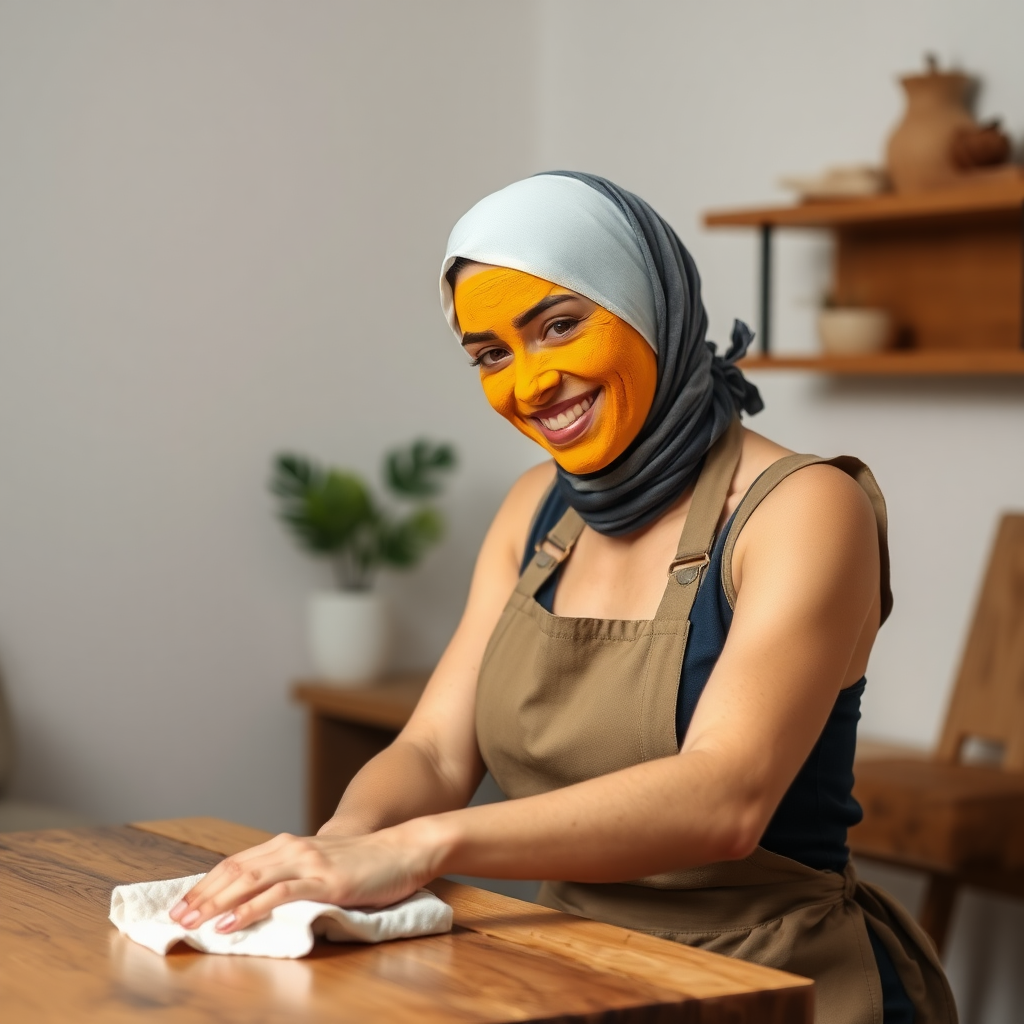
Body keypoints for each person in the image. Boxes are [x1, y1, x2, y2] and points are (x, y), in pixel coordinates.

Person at [171, 173, 956, 1024]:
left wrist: (419, 847)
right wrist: (332, 850)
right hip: (559, 962)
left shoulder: (801, 509)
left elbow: (724, 796)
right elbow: (436, 753)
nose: (532, 383)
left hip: (767, 979)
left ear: (648, 303)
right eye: (492, 355)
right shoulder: (535, 512)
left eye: (559, 326)